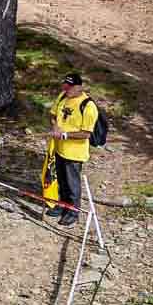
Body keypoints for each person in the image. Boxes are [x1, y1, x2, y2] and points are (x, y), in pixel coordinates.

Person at [46, 73, 98, 227]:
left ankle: (73, 212)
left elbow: (86, 134)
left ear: (79, 87)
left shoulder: (88, 106)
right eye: (65, 86)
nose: (66, 89)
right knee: (61, 179)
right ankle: (62, 205)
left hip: (74, 153)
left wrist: (65, 135)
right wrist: (55, 126)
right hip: (59, 149)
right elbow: (53, 114)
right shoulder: (63, 96)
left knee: (72, 183)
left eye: (70, 87)